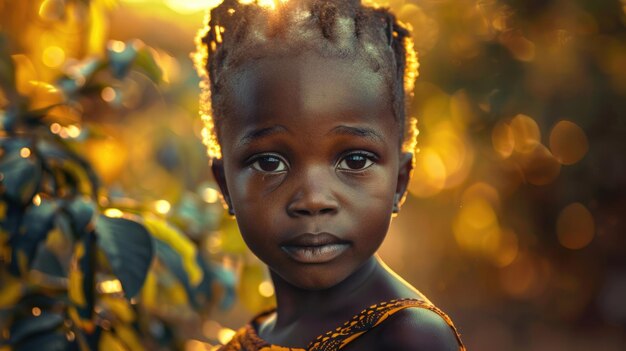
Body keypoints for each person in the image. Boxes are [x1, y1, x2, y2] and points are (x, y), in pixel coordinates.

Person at [193, 0, 466, 349]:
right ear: (224, 186)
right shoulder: (249, 339)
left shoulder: (409, 338)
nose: (313, 199)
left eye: (354, 161)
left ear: (400, 181)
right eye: (269, 163)